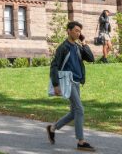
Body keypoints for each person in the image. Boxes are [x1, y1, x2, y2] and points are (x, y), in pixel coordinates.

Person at [46, 21, 96, 152]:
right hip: (67, 82)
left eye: (79, 31)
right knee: (79, 109)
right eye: (76, 30)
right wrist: (56, 84)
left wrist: (84, 43)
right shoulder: (63, 47)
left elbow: (91, 58)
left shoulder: (78, 47)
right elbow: (54, 66)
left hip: (77, 82)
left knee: (74, 112)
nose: (78, 33)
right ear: (68, 31)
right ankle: (81, 141)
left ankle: (52, 128)